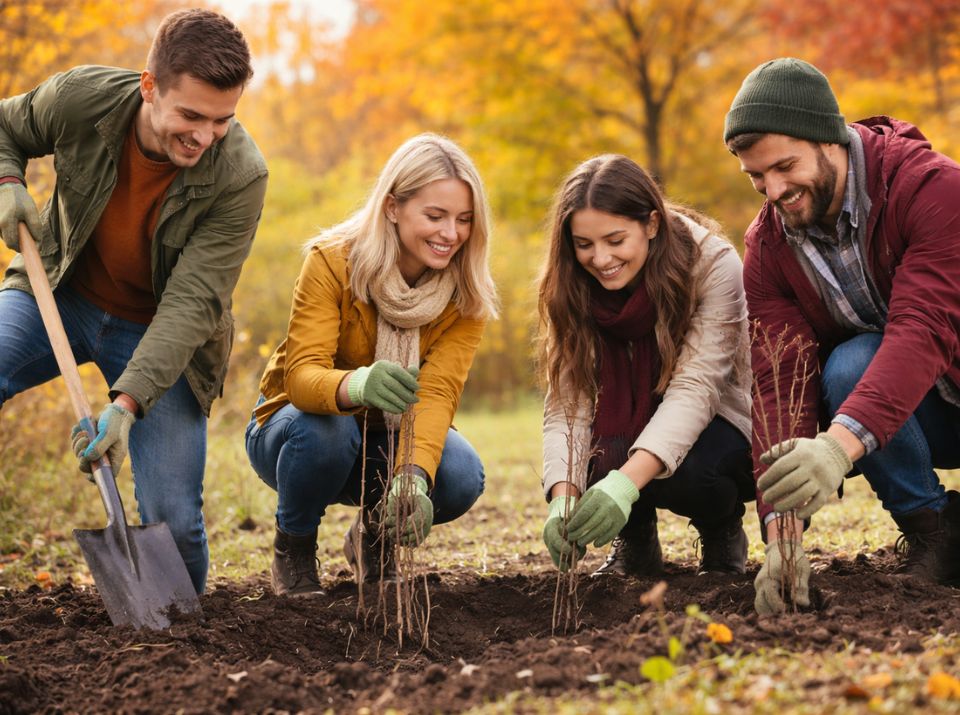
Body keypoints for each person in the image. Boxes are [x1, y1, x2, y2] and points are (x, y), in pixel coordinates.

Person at [0, 9, 267, 595]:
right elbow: (6, 129)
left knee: (175, 523)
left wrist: (126, 404)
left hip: (158, 336)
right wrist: (8, 182)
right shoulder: (82, 99)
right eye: (191, 115)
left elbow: (195, 301)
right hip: (59, 292)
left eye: (222, 120)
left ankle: (178, 643)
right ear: (150, 86)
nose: (205, 135)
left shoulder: (241, 175)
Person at [724, 57, 960, 616]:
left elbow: (922, 329)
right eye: (757, 177)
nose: (774, 190)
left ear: (828, 138)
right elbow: (781, 379)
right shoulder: (768, 248)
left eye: (785, 166)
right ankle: (938, 534)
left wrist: (837, 447)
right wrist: (781, 537)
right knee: (849, 364)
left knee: (872, 356)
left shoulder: (932, 189)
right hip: (912, 414)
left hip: (941, 370)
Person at [244, 133, 498, 597]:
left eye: (464, 220)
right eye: (435, 216)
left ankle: (374, 541)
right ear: (392, 207)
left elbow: (438, 395)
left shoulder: (467, 296)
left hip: (385, 438)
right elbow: (301, 378)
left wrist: (413, 478)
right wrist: (357, 386)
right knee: (327, 431)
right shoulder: (332, 261)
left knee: (461, 474)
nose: (451, 234)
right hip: (294, 432)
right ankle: (294, 548)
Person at [536, 154, 754, 578]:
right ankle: (635, 543)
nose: (600, 259)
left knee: (689, 472)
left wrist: (621, 485)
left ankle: (720, 525)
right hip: (636, 417)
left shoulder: (712, 264)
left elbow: (697, 388)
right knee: (598, 450)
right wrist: (564, 496)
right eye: (584, 244)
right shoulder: (570, 285)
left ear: (651, 224)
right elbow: (568, 404)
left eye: (615, 241)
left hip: (721, 423)